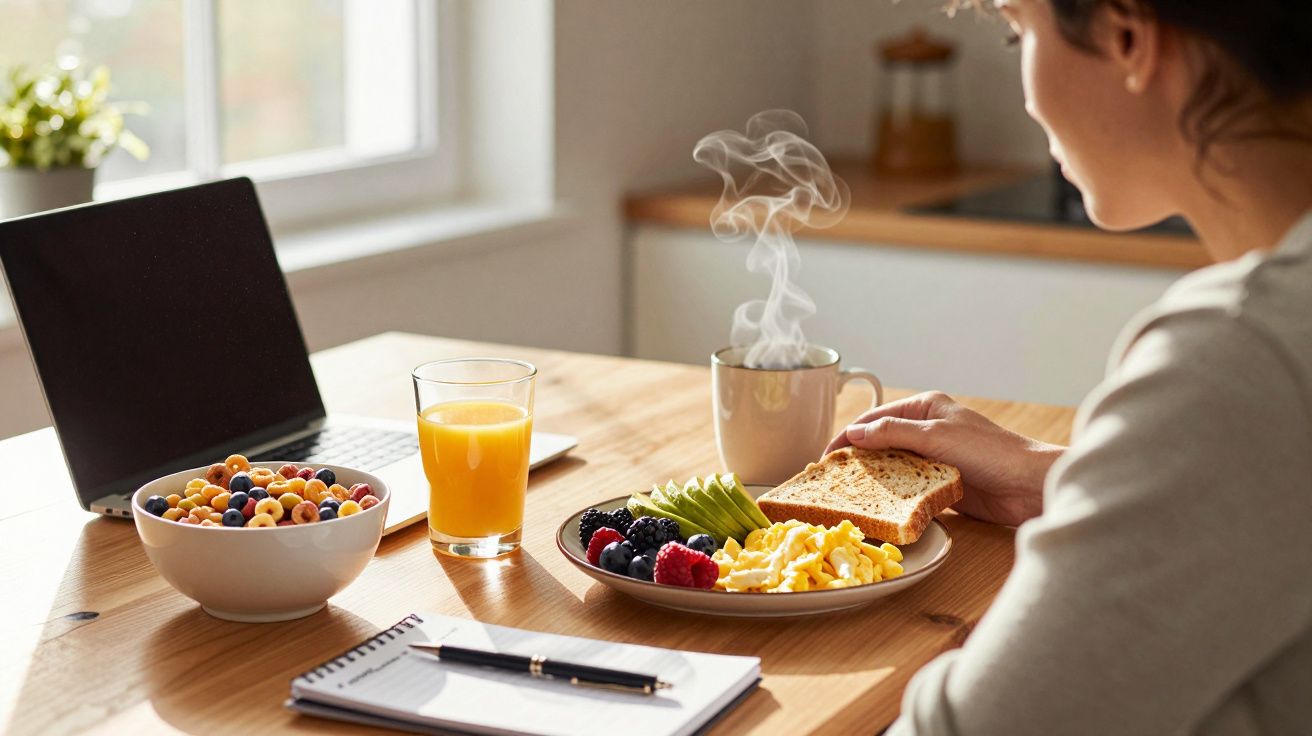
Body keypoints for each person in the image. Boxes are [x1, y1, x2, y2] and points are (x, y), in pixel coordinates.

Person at [825, 1, 1312, 734]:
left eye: (1021, 29)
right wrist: (1064, 479)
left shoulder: (1240, 354)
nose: (1026, 91)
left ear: (1127, 36)